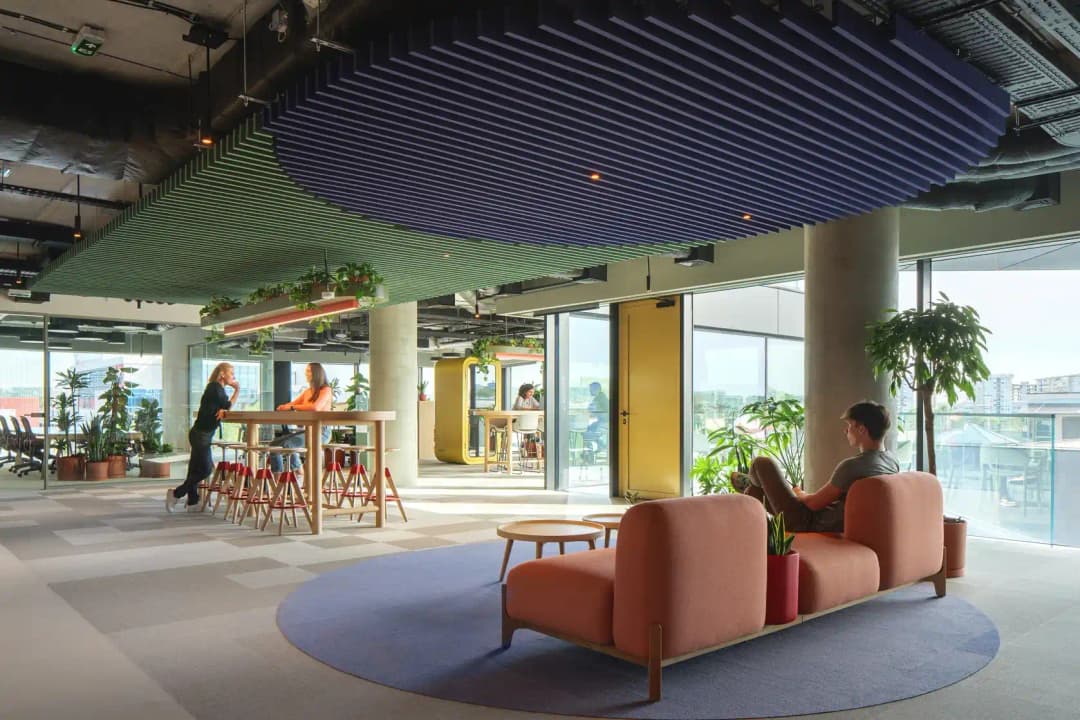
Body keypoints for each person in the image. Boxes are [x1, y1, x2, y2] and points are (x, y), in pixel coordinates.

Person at [738, 401, 899, 533]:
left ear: (862, 429)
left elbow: (813, 504)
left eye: (849, 426)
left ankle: (751, 481)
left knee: (762, 463)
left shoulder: (852, 467)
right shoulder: (892, 462)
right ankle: (752, 487)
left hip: (808, 523)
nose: (846, 431)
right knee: (754, 493)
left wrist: (799, 494)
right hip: (832, 521)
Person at [166, 362, 240, 512]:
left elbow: (221, 407)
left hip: (200, 433)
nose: (234, 376)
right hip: (201, 435)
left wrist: (223, 410)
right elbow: (226, 405)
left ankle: (193, 501)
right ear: (222, 374)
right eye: (231, 373)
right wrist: (237, 391)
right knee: (206, 470)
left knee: (194, 469)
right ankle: (175, 494)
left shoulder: (215, 388)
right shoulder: (215, 388)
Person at [270, 362, 333, 475]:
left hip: (322, 432)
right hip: (308, 430)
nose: (306, 374)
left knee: (289, 444)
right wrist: (284, 407)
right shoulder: (307, 392)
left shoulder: (326, 390)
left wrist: (292, 407)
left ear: (316, 373)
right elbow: (293, 403)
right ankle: (278, 479)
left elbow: (315, 407)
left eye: (308, 371)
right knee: (273, 445)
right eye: (306, 371)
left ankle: (299, 474)